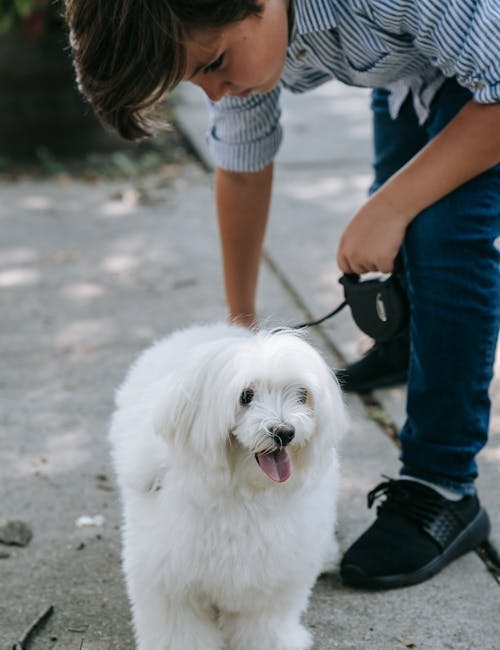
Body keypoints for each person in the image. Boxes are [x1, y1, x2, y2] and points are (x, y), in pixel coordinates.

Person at [66, 0, 500, 590]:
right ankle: (415, 345)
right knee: (396, 219)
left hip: (487, 79)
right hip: (408, 66)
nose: (217, 94)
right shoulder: (241, 37)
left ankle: (442, 482)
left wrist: (396, 207)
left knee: (441, 230)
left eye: (215, 64)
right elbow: (243, 166)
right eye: (197, 79)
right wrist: (240, 335)